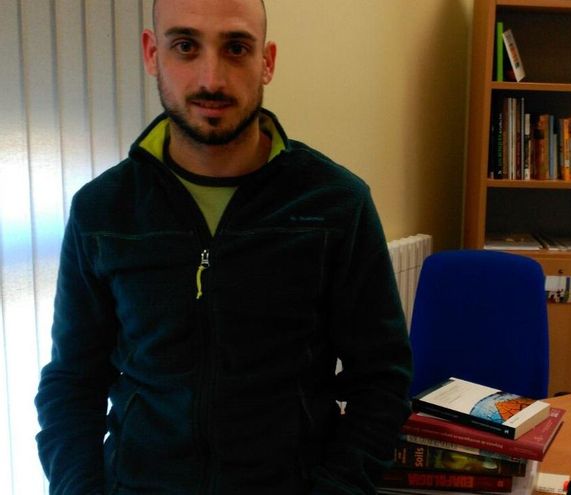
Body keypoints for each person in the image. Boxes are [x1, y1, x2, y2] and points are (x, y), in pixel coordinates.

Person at [34, 0, 413, 493]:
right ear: (152, 54)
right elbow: (71, 383)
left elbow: (382, 381)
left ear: (267, 61)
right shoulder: (102, 211)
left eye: (236, 48)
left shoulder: (337, 206)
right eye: (185, 46)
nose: (211, 79)